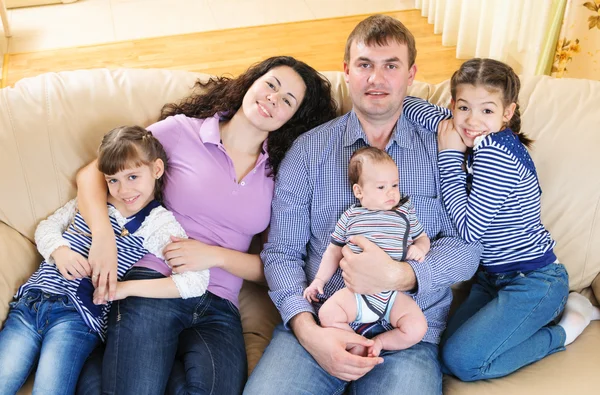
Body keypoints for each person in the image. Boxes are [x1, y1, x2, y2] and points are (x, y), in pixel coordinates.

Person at [244, 15, 482, 395]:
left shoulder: (445, 149)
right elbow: (281, 252)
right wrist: (308, 330)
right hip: (321, 326)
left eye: (391, 65)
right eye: (365, 65)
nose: (377, 78)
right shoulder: (308, 152)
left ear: (411, 74)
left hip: (406, 334)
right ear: (347, 71)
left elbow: (468, 245)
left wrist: (401, 275)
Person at [75, 56, 339, 395]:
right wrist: (103, 239)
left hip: (218, 306)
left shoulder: (282, 172)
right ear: (251, 82)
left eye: (287, 100)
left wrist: (213, 256)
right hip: (155, 280)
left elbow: (274, 265)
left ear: (293, 117)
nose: (273, 98)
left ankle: (100, 369)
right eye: (271, 85)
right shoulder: (180, 131)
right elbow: (92, 174)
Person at [0, 125, 208, 394]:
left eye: (133, 176)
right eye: (113, 180)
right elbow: (47, 227)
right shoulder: (89, 201)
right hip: (32, 303)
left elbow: (196, 281)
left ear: (156, 170)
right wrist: (59, 251)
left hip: (78, 322)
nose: (123, 190)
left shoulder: (157, 224)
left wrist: (124, 289)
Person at [437, 58, 600, 381]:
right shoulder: (475, 133)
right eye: (464, 108)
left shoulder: (496, 152)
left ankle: (569, 326)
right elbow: (424, 113)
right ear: (452, 105)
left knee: (464, 363)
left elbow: (470, 230)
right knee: (444, 353)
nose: (472, 121)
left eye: (487, 110)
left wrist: (450, 155)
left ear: (507, 113)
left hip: (534, 281)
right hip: (491, 280)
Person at [303, 146, 430, 358]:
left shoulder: (404, 214)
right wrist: (319, 280)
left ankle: (380, 342)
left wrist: (419, 248)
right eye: (381, 187)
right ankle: (358, 342)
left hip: (392, 294)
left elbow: (422, 237)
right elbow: (333, 251)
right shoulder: (350, 217)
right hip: (355, 294)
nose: (391, 192)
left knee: (418, 327)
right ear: (358, 191)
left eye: (395, 185)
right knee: (327, 313)